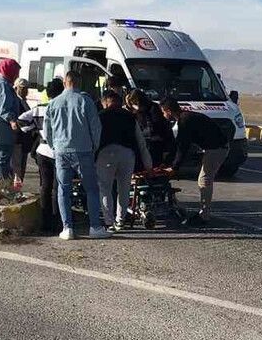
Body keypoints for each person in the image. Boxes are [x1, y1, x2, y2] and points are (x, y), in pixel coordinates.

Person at [43, 70, 111, 240]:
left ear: (65, 82)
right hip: (83, 150)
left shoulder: (53, 103)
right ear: (78, 82)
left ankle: (68, 228)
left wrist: (54, 146)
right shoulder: (86, 101)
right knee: (91, 189)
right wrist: (94, 146)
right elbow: (96, 127)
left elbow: (47, 130)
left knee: (63, 189)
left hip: (61, 151)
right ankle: (95, 226)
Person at [160, 97, 229, 226]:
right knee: (204, 179)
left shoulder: (184, 120)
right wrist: (169, 162)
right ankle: (204, 213)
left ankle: (204, 216)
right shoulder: (185, 117)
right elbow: (179, 145)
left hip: (216, 149)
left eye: (163, 112)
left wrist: (174, 167)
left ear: (168, 111)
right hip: (213, 148)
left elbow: (182, 147)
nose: (164, 115)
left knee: (204, 180)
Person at [97, 89, 152, 230]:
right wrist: (148, 165)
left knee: (105, 189)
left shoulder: (100, 116)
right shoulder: (129, 116)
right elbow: (141, 142)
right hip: (127, 155)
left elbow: (94, 139)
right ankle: (120, 220)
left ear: (105, 102)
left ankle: (109, 222)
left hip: (105, 154)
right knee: (124, 188)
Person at [21, 78, 65, 233]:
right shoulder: (63, 108)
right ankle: (57, 221)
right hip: (58, 151)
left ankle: (45, 222)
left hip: (42, 150)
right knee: (57, 187)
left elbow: (22, 121)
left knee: (45, 186)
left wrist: (35, 128)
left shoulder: (39, 108)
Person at [126, 90, 173, 164]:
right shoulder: (139, 112)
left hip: (155, 143)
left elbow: (155, 126)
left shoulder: (153, 108)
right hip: (146, 142)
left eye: (134, 104)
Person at [11, 78, 33, 190]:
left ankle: (18, 189)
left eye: (26, 88)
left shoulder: (24, 101)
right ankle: (15, 191)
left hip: (24, 140)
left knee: (21, 167)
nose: (25, 91)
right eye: (23, 88)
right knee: (17, 168)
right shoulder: (15, 101)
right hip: (18, 139)